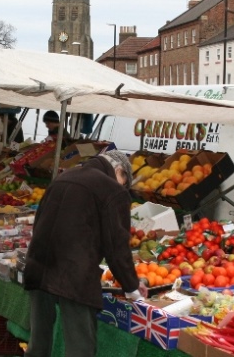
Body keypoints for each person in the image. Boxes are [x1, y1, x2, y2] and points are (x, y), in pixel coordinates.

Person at [23, 150, 148, 357]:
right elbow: (117, 246)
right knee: (80, 347)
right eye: (124, 183)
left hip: (39, 265)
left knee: (38, 343)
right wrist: (132, 287)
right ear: (119, 171)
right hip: (74, 274)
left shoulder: (64, 177)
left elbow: (40, 222)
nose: (123, 188)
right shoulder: (112, 190)